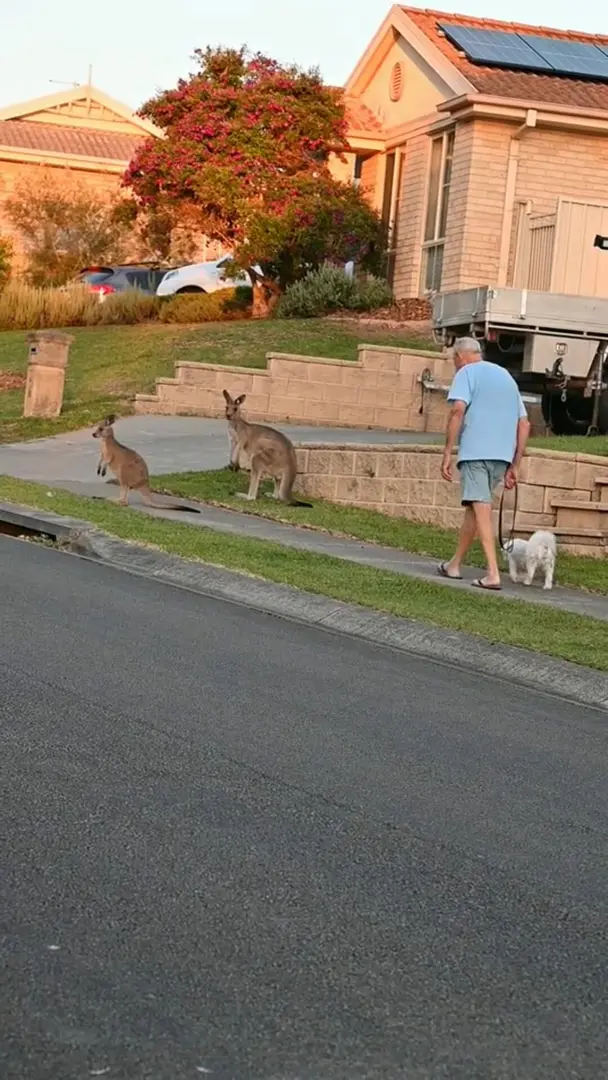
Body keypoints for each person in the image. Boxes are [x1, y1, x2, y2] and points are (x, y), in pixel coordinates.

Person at [438, 337, 530, 591]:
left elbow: (458, 410)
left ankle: (492, 573)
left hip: (476, 453)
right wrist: (515, 464)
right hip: (501, 456)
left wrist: (447, 451)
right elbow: (524, 424)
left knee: (482, 509)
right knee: (474, 508)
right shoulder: (505, 376)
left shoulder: (466, 373)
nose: (455, 365)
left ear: (460, 357)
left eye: (453, 360)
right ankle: (454, 565)